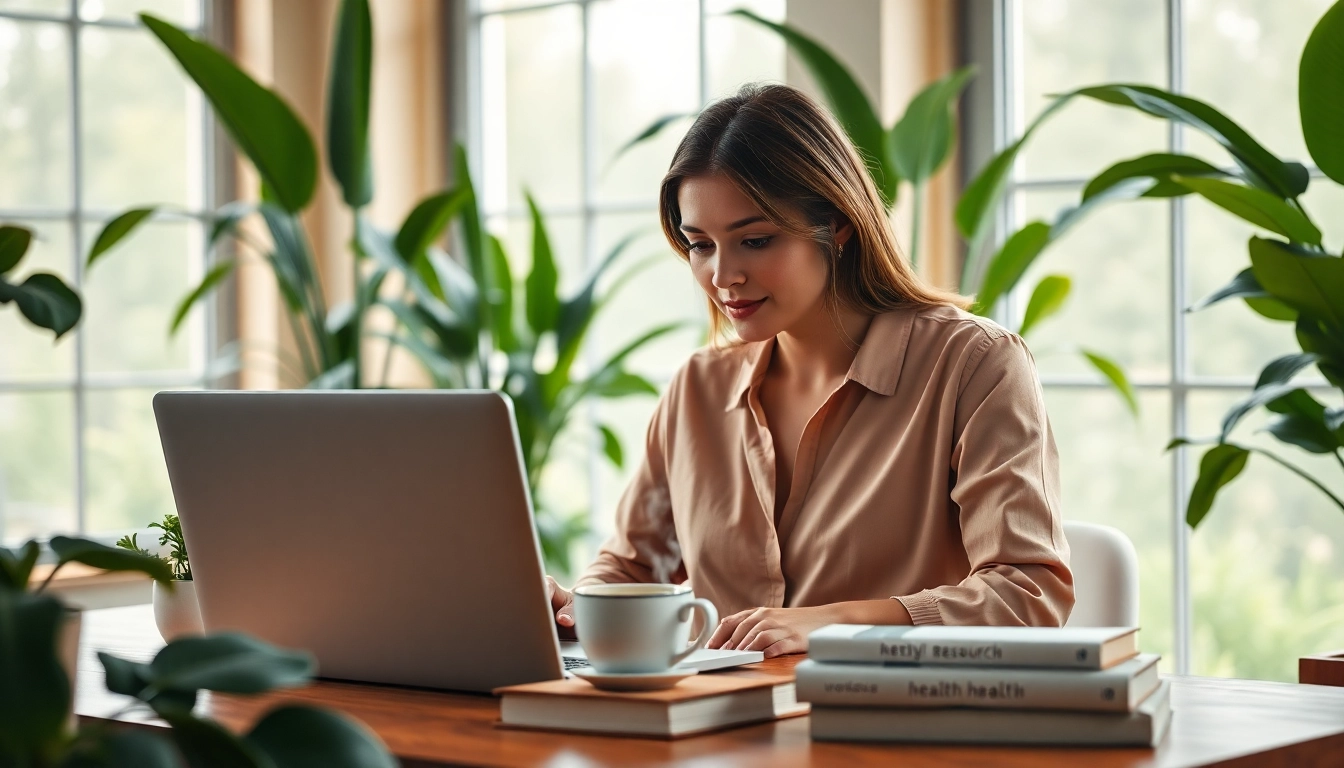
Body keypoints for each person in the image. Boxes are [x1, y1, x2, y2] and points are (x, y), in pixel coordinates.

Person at [546, 82, 1073, 658]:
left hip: (891, 732)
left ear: (837, 223)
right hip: (719, 737)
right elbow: (632, 567)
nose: (724, 275)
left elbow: (1029, 595)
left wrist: (835, 624)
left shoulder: (973, 365)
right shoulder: (697, 388)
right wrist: (572, 609)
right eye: (700, 245)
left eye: (755, 240)